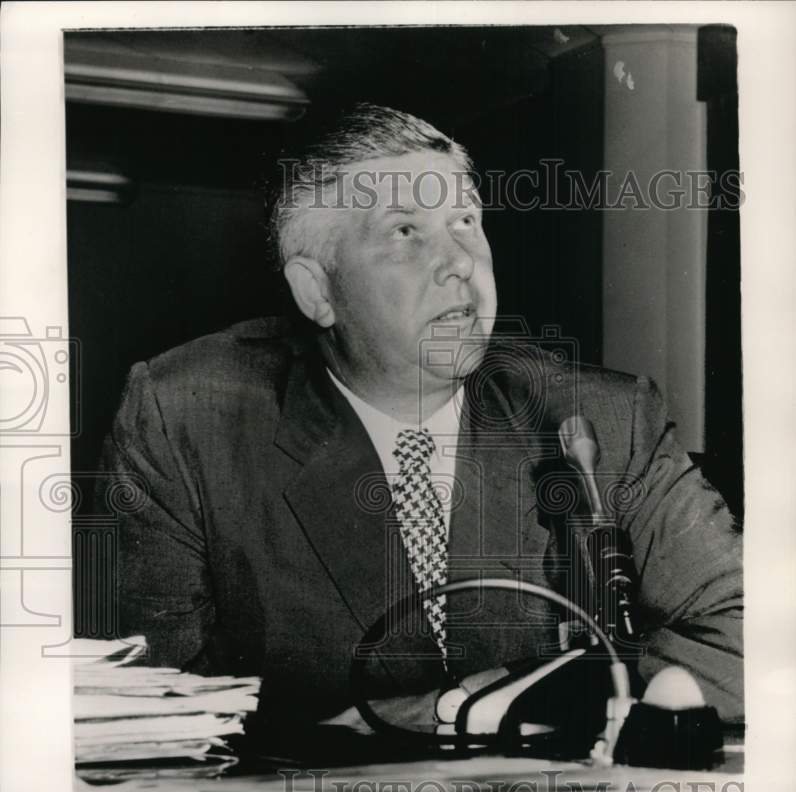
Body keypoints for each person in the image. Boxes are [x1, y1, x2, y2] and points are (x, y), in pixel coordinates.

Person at [99, 104, 743, 736]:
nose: (459, 261)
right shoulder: (188, 417)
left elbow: (753, 634)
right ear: (317, 291)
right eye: (405, 231)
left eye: (465, 221)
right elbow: (152, 711)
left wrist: (469, 707)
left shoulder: (599, 418)